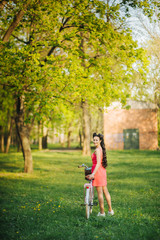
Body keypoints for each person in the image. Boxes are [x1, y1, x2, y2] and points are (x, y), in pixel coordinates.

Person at [86, 132, 114, 217]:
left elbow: (98, 163)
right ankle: (110, 210)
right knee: (105, 191)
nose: (94, 141)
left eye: (96, 140)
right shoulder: (100, 148)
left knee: (100, 192)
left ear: (100, 140)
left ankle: (102, 213)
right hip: (102, 171)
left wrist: (93, 174)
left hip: (98, 172)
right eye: (94, 140)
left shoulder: (98, 150)